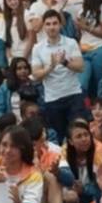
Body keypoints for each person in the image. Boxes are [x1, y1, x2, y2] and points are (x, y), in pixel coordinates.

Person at [31, 10, 85, 140]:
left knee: (78, 133)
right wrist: (51, 67)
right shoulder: (38, 48)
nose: (52, 27)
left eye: (55, 23)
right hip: (52, 98)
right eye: (48, 24)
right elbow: (36, 74)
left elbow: (80, 67)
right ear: (44, 27)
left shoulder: (71, 42)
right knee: (60, 137)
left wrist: (64, 62)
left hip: (73, 94)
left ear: (60, 25)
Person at [76, 0, 102, 96]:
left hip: (99, 49)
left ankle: (100, 104)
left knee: (99, 82)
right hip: (84, 50)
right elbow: (80, 33)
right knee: (83, 83)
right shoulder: (81, 11)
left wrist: (86, 27)